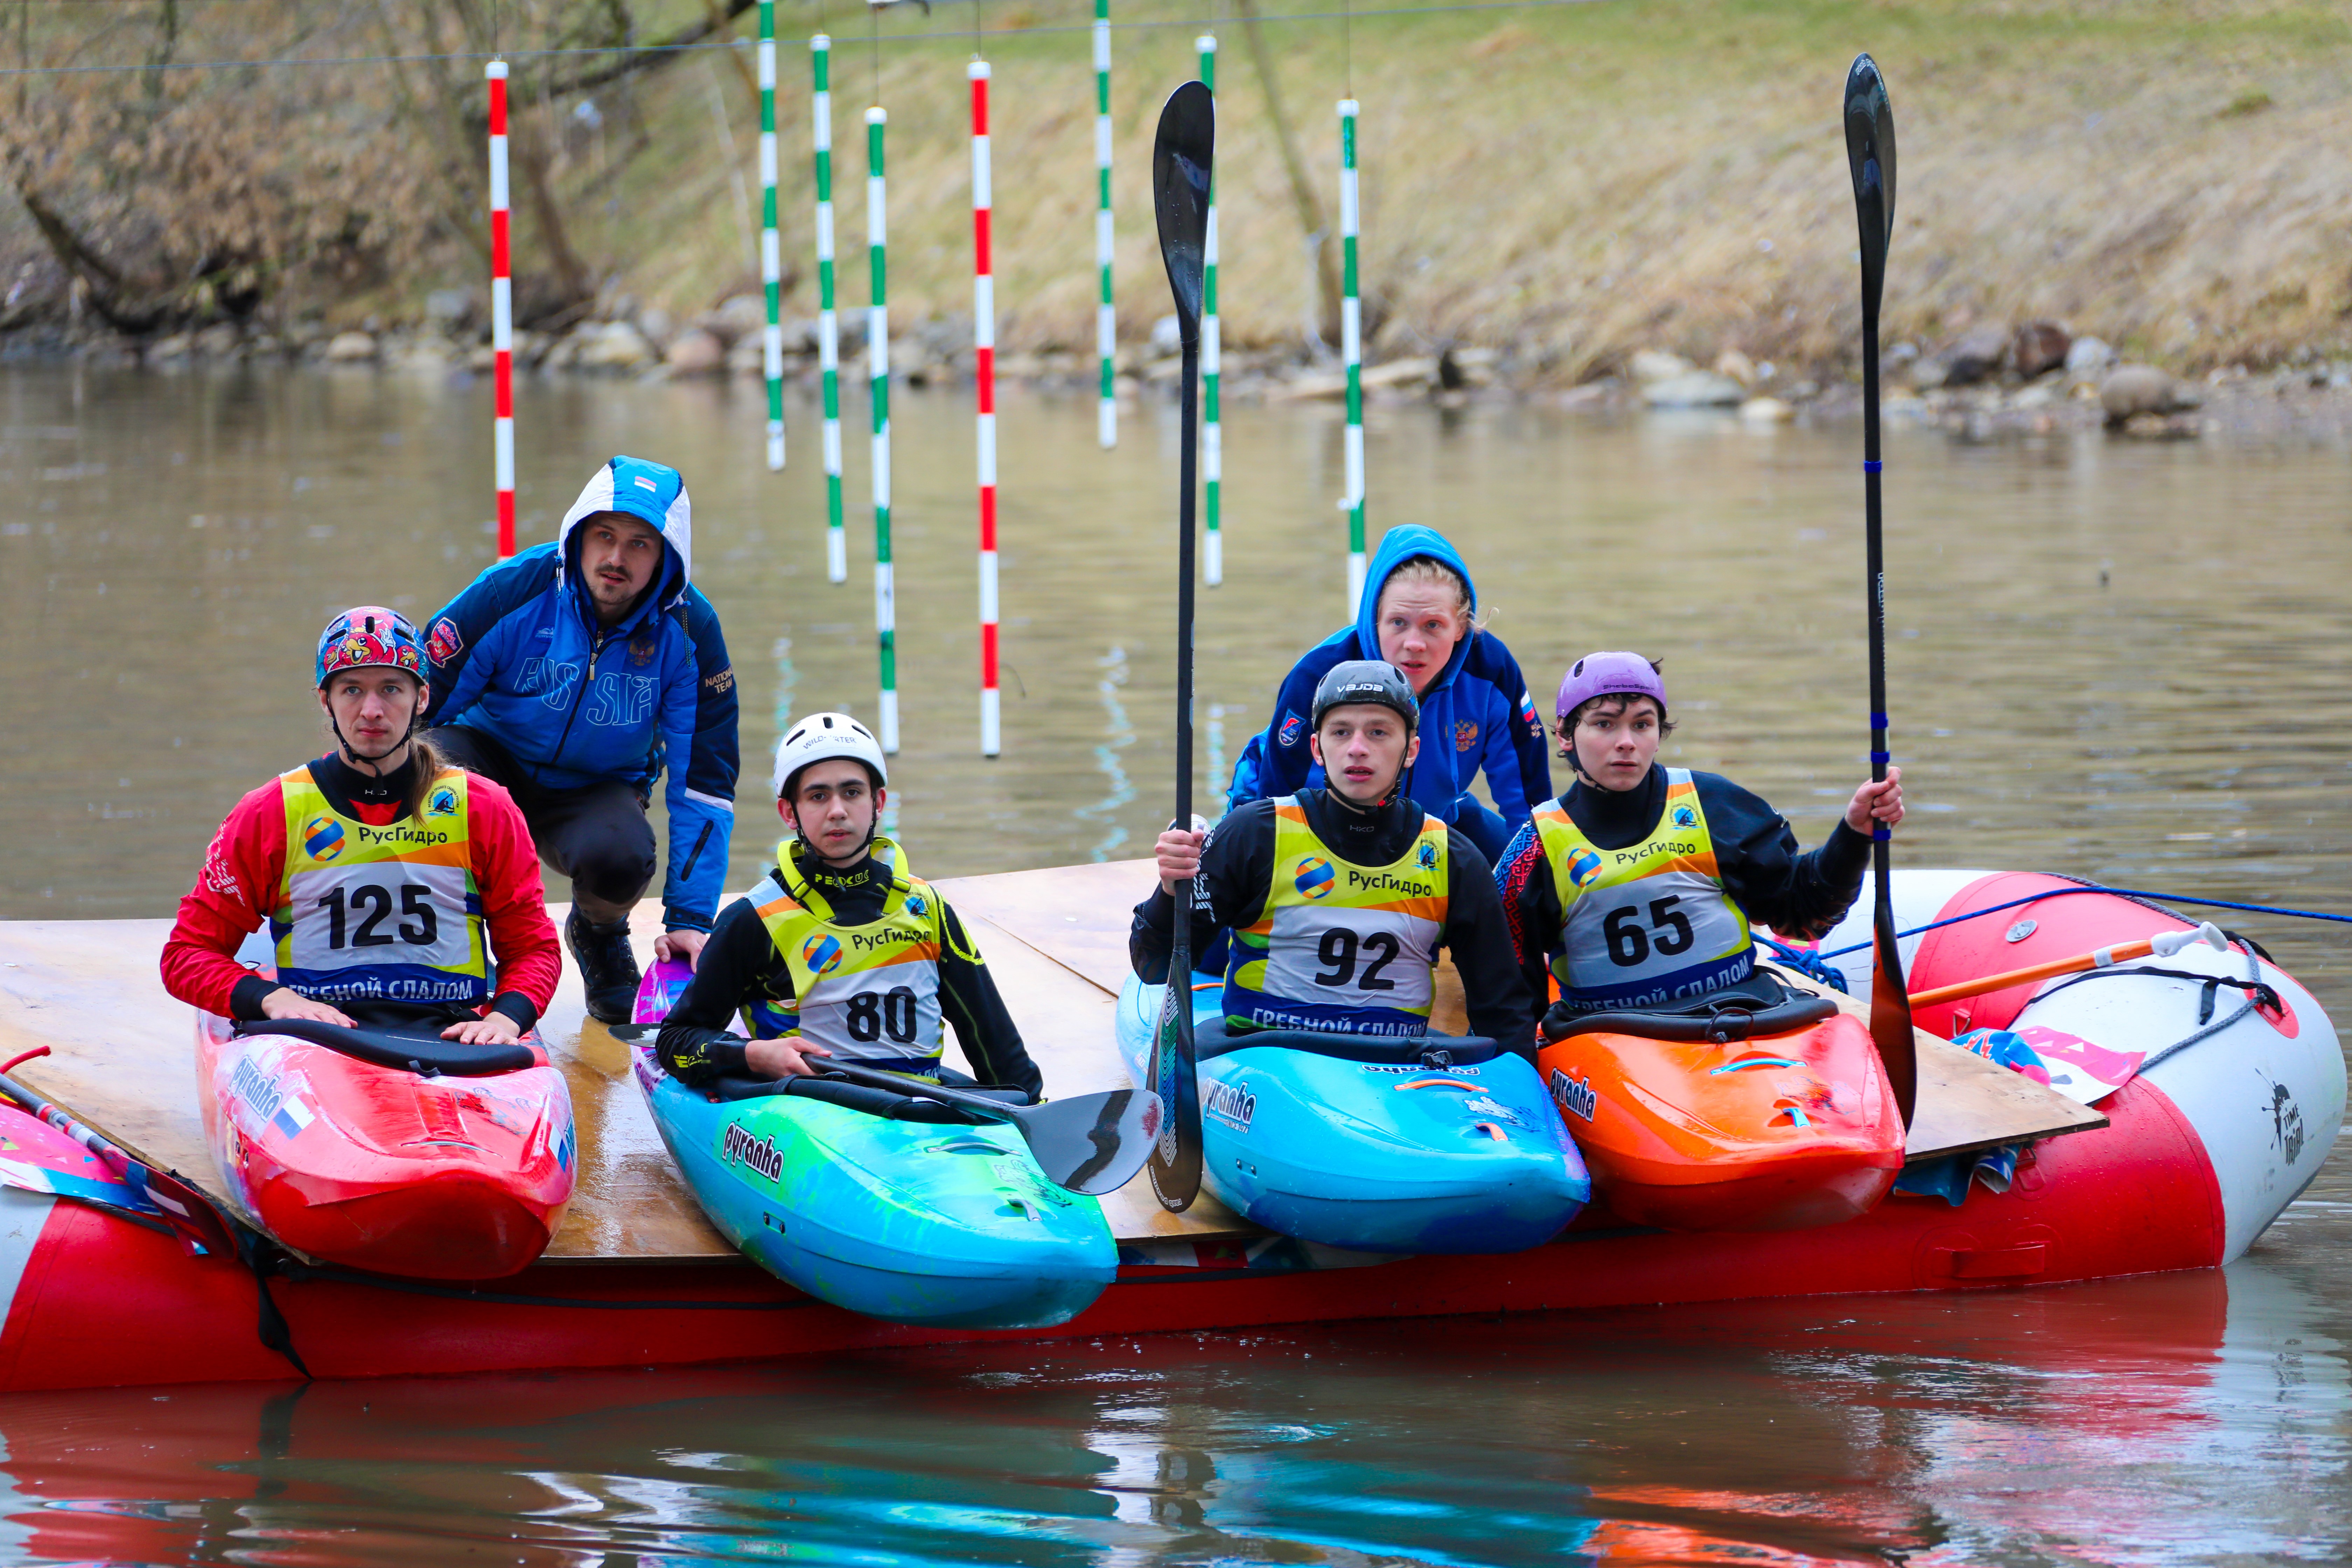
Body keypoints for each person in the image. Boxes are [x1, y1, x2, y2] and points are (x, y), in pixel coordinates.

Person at [420, 456, 740, 1023]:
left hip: (598, 788)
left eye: (640, 545)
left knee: (625, 856)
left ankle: (599, 933)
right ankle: (450, 938)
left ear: (669, 558)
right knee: (431, 781)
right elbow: (415, 707)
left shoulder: (692, 633)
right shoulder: (512, 591)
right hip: (490, 759)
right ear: (579, 535)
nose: (616, 558)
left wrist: (690, 920)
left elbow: (705, 784)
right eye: (606, 536)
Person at [161, 608, 561, 1042]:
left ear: (421, 698)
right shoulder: (269, 812)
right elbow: (187, 954)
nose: (372, 711)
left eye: (391, 689)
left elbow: (532, 948)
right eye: (352, 690)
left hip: (453, 1033)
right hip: (316, 1036)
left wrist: (506, 1020)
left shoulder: (486, 808)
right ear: (325, 700)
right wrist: (271, 999)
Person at [1135, 660, 1537, 1051]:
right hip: (1268, 1059)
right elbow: (1153, 965)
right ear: (1317, 747)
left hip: (1392, 1068)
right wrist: (1170, 891)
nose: (1358, 749)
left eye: (1379, 733)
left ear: (1411, 750)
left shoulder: (1453, 857)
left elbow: (1503, 1010)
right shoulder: (1255, 833)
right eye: (1341, 732)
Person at [1493, 652, 1906, 1019]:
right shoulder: (1535, 850)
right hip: (1611, 1036)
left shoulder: (1714, 805)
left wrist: (1854, 834)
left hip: (1744, 1013)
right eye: (1604, 724)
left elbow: (1804, 917)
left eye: (1642, 724)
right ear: (1565, 735)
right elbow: (1510, 997)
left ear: (1659, 732)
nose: (1626, 743)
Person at [654, 712, 1044, 1100]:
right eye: (818, 795)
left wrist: (1035, 1115)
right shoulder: (755, 919)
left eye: (852, 792)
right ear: (789, 812)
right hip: (813, 1122)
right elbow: (675, 1042)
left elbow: (996, 1045)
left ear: (879, 803)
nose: (837, 810)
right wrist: (754, 1055)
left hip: (918, 1114)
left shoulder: (927, 908)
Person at [1224, 525, 1549, 864]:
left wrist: (1529, 891)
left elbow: (1527, 803)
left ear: (1461, 627)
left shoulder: (1493, 671)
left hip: (1433, 816)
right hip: (1307, 817)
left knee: (1531, 869)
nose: (1414, 643)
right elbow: (1277, 794)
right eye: (1398, 623)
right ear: (1374, 620)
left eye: (1433, 625)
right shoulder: (1318, 673)